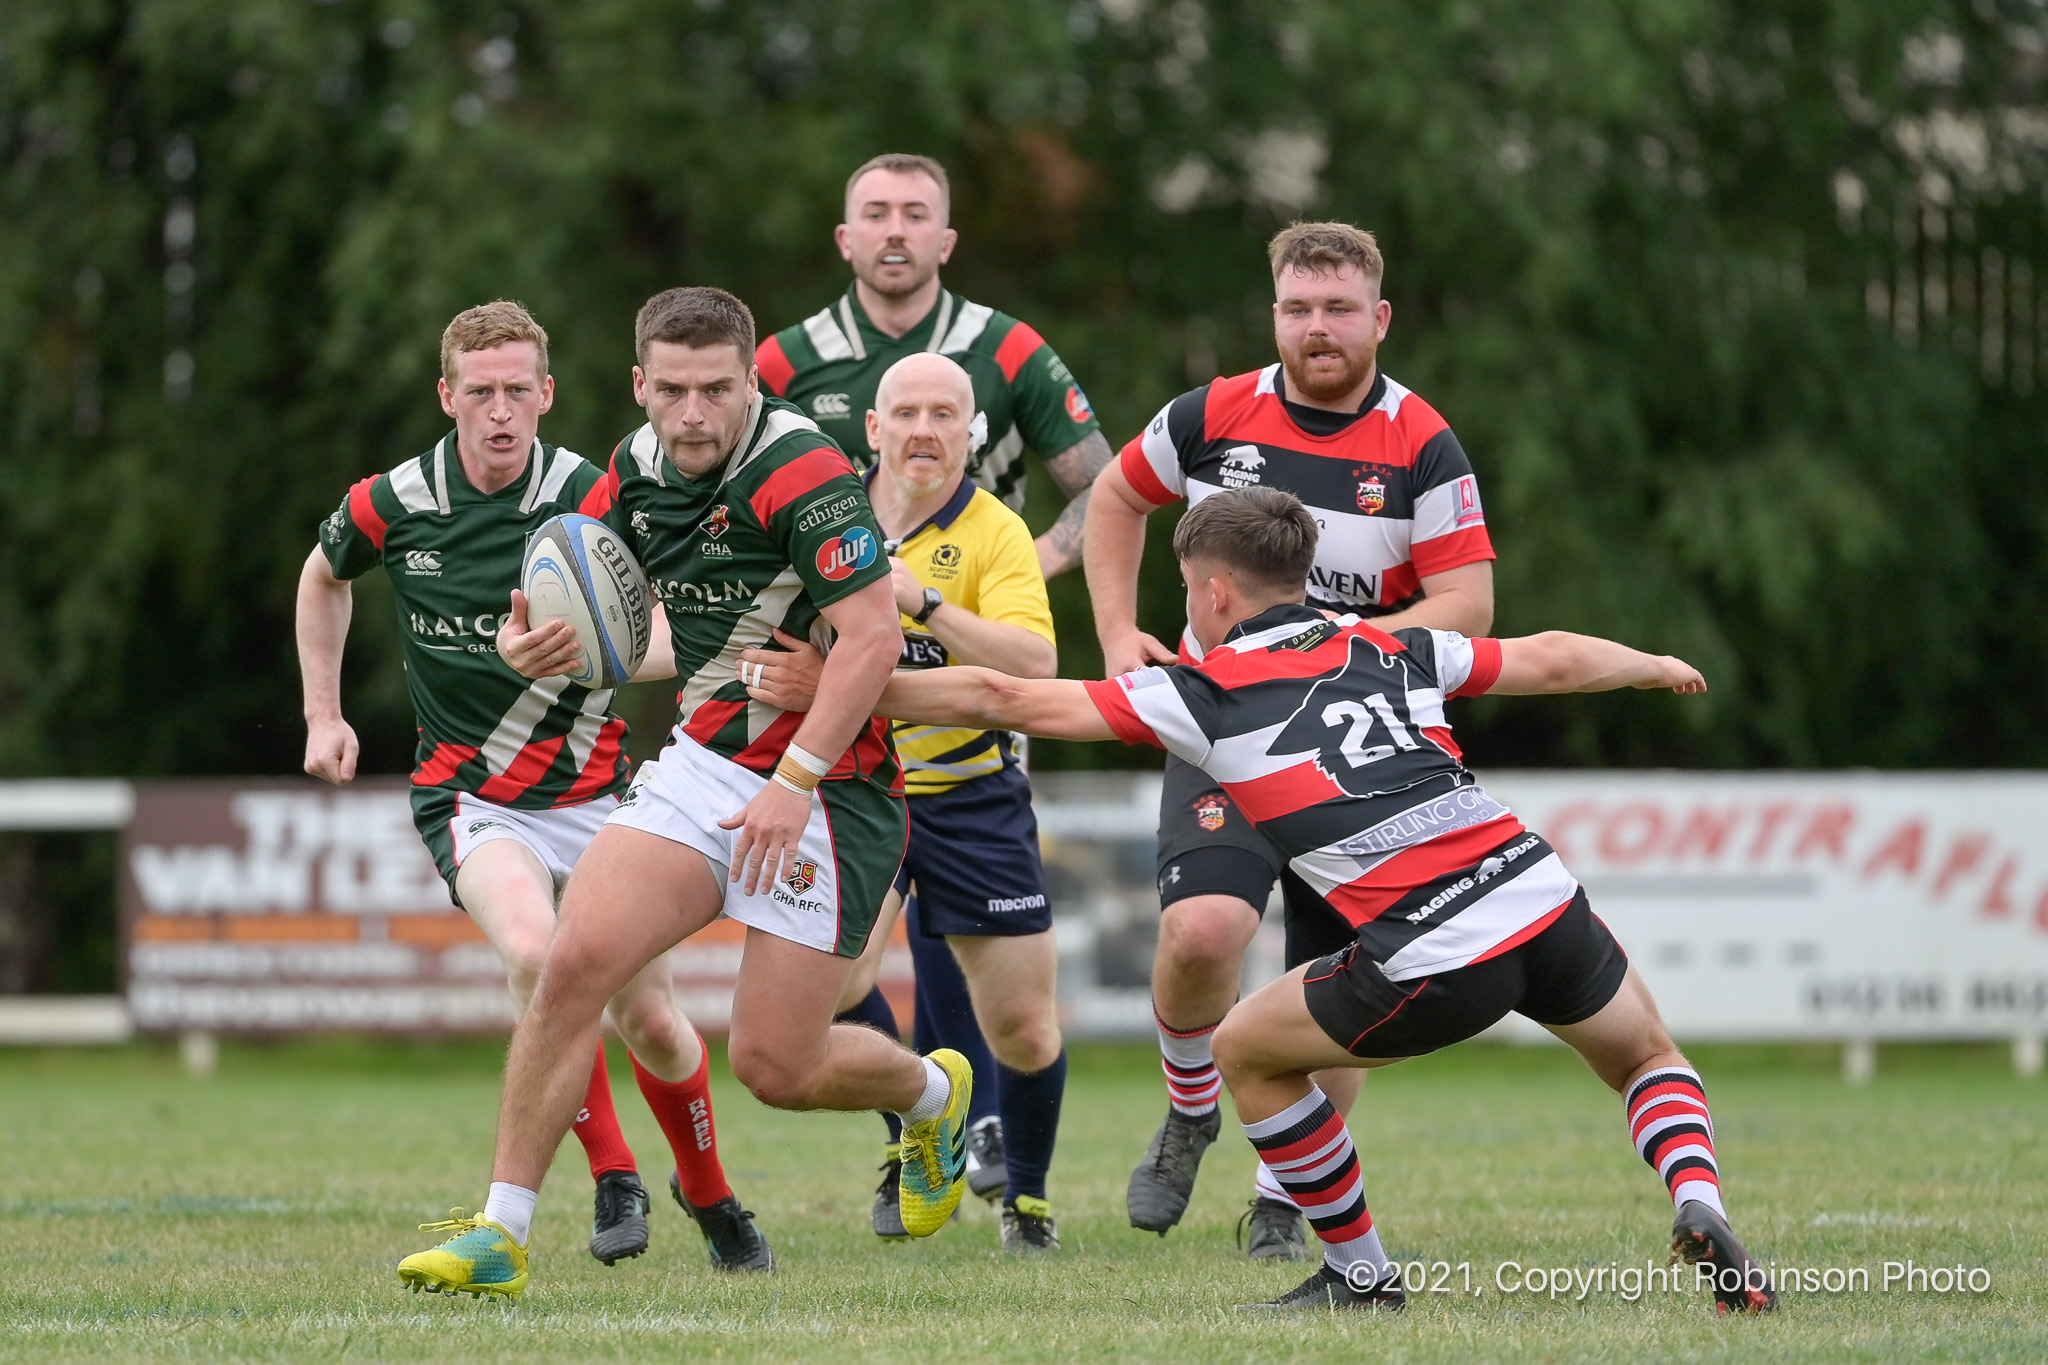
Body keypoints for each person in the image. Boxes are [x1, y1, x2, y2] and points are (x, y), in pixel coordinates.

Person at [877, 487, 1777, 1316]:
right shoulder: (1391, 643)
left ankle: (1360, 1271)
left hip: (1438, 949)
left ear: (1216, 592)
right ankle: (1697, 1197)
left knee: (1244, 1050)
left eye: (1190, 591)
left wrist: (851, 691)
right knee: (1647, 1055)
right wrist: (1652, 663)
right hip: (1536, 893)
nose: (1191, 609)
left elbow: (1004, 694)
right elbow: (1550, 658)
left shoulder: (1204, 692)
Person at [399, 286, 975, 1302]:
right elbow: (554, 578)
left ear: (749, 381)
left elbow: (874, 638)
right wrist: (518, 637)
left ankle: (932, 1096)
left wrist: (794, 782)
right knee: (570, 963)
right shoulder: (631, 468)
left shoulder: (802, 471)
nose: (694, 412)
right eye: (672, 390)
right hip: (707, 765)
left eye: (716, 389)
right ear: (640, 386)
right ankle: (502, 1228)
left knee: (773, 1066)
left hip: (833, 788)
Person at [297, 301, 750, 1281]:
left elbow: (672, 634)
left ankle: (709, 1192)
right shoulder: (397, 500)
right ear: (446, 395)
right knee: (541, 956)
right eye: (479, 392)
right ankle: (612, 1170)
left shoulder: (598, 497)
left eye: (517, 392)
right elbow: (322, 575)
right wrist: (322, 714)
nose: (498, 411)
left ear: (546, 395)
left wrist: (605, 654)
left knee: (655, 1025)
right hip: (472, 797)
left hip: (598, 798)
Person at [1083, 221, 1498, 1255]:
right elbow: (1111, 497)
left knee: (1350, 977)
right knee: (1201, 936)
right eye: (1298, 309)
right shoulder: (1215, 412)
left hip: (1359, 744)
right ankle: (1189, 1106)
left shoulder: (1421, 442)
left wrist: (1330, 647)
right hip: (1222, 724)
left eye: (1338, 309)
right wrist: (1113, 636)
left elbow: (1469, 603)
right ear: (1274, 314)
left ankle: (1281, 1191)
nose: (1317, 329)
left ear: (1378, 318)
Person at [758, 150, 1111, 1203]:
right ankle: (928, 1122)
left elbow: (1104, 493)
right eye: (876, 213)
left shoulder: (1008, 348)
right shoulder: (785, 362)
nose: (897, 230)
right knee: (845, 967)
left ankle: (994, 1145)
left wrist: (1018, 574)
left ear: (945, 240)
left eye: (917, 214)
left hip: (966, 683)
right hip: (846, 706)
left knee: (977, 963)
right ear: (846, 238)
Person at [737, 353, 1067, 1251]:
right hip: (855, 787)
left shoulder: (993, 530)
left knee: (1025, 1026)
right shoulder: (821, 512)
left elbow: (1034, 665)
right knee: (838, 986)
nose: (925, 429)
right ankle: (922, 1128)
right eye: (906, 412)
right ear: (871, 429)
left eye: (945, 414)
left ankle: (1027, 1204)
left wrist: (920, 598)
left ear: (975, 432)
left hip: (969, 792)